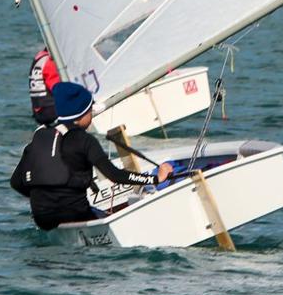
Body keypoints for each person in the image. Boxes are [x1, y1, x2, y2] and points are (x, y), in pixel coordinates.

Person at [10, 82, 173, 231]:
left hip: (43, 219)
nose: (92, 114)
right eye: (90, 110)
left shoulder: (39, 138)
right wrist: (156, 179)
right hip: (74, 215)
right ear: (80, 115)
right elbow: (114, 175)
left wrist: (45, 199)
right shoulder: (85, 140)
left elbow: (16, 182)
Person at [28, 47, 60, 125]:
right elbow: (57, 89)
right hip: (50, 110)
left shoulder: (40, 57)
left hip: (38, 111)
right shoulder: (49, 61)